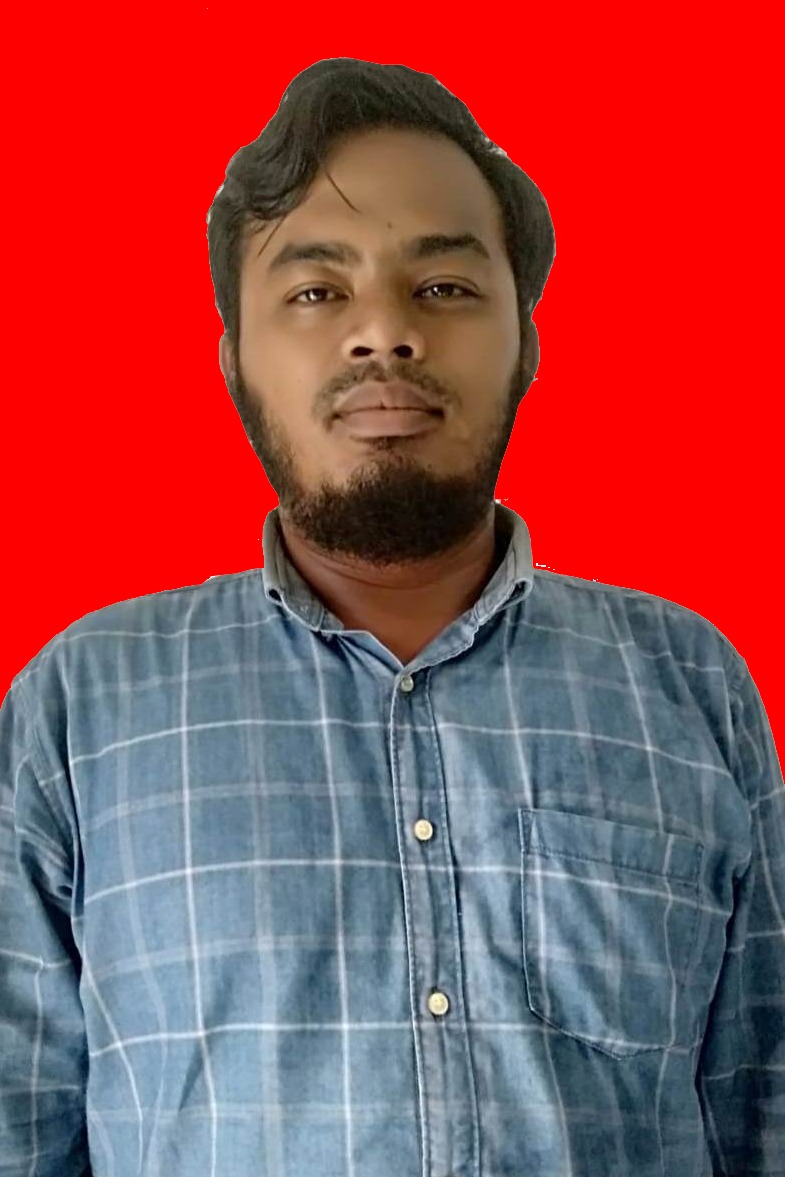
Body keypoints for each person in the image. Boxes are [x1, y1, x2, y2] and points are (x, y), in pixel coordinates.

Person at [1, 57, 782, 1177]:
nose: (383, 334)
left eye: (445, 286)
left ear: (527, 342)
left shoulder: (688, 682)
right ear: (233, 360)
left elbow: (764, 1109)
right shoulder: (82, 707)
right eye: (316, 292)